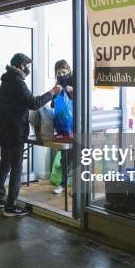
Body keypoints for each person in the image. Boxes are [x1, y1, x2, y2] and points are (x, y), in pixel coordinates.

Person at [0, 53, 61, 216]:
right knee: (16, 168)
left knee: (5, 164)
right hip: (15, 132)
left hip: (5, 131)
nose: (28, 69)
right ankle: (11, 206)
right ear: (21, 65)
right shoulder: (17, 83)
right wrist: (52, 92)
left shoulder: (6, 81)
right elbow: (33, 103)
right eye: (27, 66)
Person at [51, 60, 74, 195]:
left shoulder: (76, 81)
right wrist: (54, 94)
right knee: (64, 157)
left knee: (77, 157)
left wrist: (72, 92)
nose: (61, 75)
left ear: (69, 71)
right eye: (59, 73)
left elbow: (83, 100)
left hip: (76, 126)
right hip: (62, 127)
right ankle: (63, 184)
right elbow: (53, 106)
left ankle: (78, 186)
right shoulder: (57, 84)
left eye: (64, 72)